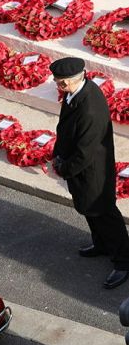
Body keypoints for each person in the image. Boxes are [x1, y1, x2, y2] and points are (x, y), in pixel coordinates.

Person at [50, 57, 129, 289]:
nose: (58, 87)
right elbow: (66, 129)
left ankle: (124, 260)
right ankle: (102, 244)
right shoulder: (75, 92)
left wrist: (62, 169)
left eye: (61, 83)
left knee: (104, 213)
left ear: (76, 79)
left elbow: (85, 152)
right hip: (82, 170)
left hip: (92, 172)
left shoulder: (90, 108)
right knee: (89, 208)